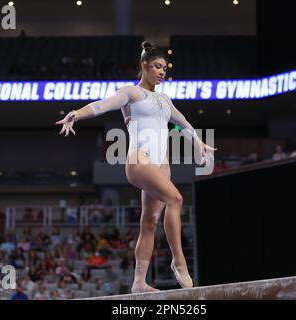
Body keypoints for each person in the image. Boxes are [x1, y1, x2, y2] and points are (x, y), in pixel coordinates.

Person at [55, 41, 215, 293]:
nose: (162, 72)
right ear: (144, 66)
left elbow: (183, 122)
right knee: (176, 199)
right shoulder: (130, 93)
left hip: (162, 165)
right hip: (139, 159)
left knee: (149, 222)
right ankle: (179, 261)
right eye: (156, 67)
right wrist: (77, 113)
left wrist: (198, 142)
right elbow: (101, 105)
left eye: (164, 68)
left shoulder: (164, 99)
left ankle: (139, 282)